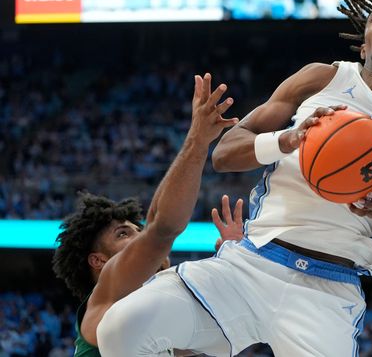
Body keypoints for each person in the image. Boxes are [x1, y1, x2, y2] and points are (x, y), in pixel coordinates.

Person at [96, 0, 372, 356]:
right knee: (120, 328)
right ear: (363, 46)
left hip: (329, 292)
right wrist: (285, 140)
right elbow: (225, 153)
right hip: (251, 264)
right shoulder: (322, 78)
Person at [51, 74, 240, 356]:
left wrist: (233, 260)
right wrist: (198, 141)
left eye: (136, 230)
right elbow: (161, 228)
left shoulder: (159, 319)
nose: (138, 237)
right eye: (124, 233)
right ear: (99, 260)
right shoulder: (106, 302)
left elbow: (228, 329)